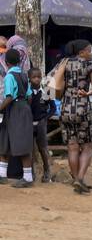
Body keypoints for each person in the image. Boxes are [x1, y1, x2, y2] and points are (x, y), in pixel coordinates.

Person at [53, 40, 92, 193]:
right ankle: (80, 179)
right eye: (89, 50)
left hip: (66, 108)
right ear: (81, 52)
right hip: (82, 108)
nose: (90, 53)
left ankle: (75, 180)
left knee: (72, 147)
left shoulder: (63, 62)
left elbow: (54, 82)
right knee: (87, 146)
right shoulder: (88, 63)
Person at [0, 49, 33, 187]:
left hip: (14, 109)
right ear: (19, 61)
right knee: (6, 140)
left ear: (6, 63)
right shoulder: (25, 75)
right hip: (24, 108)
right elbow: (30, 96)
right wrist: (24, 107)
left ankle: (27, 178)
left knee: (18, 142)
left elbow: (8, 97)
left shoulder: (9, 76)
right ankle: (2, 175)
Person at [29, 65, 53, 182]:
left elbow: (53, 108)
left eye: (39, 77)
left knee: (43, 148)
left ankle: (47, 171)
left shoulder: (47, 90)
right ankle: (31, 173)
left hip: (41, 123)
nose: (37, 79)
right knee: (30, 149)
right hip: (28, 124)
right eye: (34, 77)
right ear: (29, 79)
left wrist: (45, 119)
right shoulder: (26, 92)